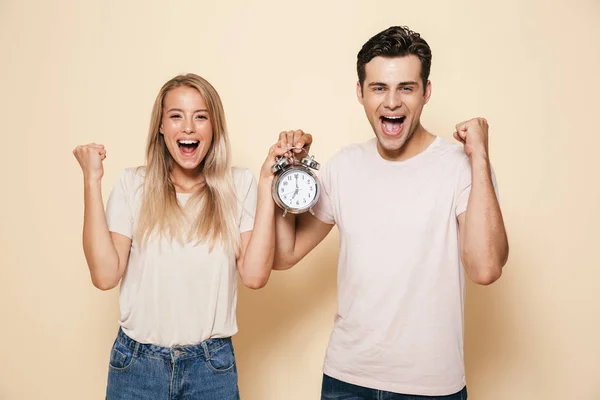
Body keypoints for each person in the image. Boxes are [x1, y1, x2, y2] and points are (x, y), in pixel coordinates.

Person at [272, 26, 509, 399]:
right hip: (346, 380)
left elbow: (486, 268)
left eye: (407, 88)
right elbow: (284, 255)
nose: (392, 102)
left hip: (431, 387)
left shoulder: (460, 167)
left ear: (426, 92)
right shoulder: (344, 165)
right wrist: (287, 172)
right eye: (379, 88)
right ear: (360, 92)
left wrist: (479, 155)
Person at [73, 73, 286, 399]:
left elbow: (255, 276)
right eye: (176, 116)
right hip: (136, 367)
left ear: (214, 127)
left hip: (211, 368)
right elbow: (104, 276)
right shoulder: (133, 185)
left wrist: (267, 184)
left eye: (200, 117)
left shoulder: (239, 185)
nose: (188, 127)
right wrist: (91, 180)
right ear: (160, 126)